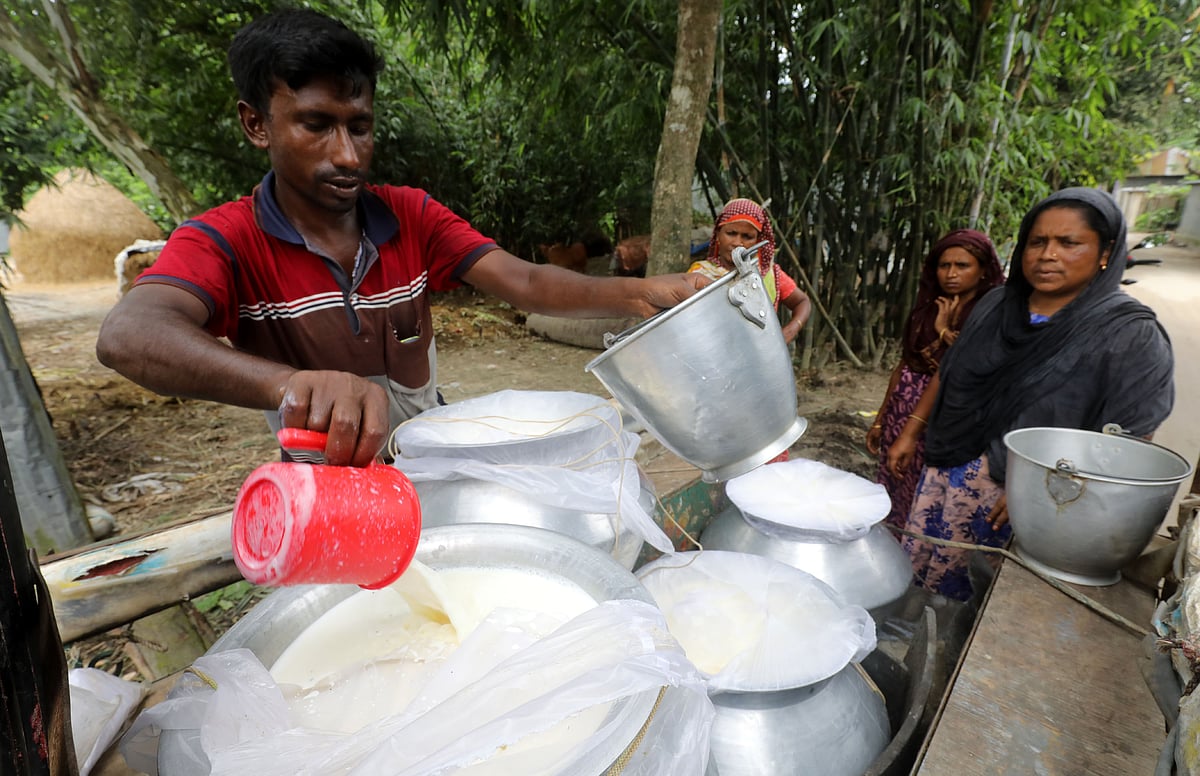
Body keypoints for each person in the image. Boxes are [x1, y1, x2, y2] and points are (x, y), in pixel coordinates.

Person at [95, 9, 704, 469]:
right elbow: (129, 336)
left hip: (437, 462)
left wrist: (641, 293)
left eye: (359, 128)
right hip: (327, 485)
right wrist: (290, 384)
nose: (346, 155)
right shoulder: (226, 240)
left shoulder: (410, 215)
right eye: (316, 125)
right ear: (257, 124)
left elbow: (524, 281)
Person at [886, 188, 1174, 601]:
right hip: (946, 471)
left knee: (983, 601)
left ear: (1106, 252)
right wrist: (912, 431)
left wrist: (1040, 491)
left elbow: (1129, 440)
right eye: (1037, 242)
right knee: (921, 584)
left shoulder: (1130, 334)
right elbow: (950, 374)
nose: (1047, 255)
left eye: (1069, 243)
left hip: (1031, 505)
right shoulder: (995, 306)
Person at [866, 229, 1004, 529]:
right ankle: (888, 539)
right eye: (944, 265)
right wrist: (881, 418)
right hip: (903, 410)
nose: (951, 274)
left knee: (924, 491)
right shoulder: (927, 307)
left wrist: (944, 330)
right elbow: (905, 364)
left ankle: (914, 546)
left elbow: (970, 366)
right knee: (893, 480)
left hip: (946, 417)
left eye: (962, 266)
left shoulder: (994, 314)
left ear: (983, 269)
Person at [688, 199, 811, 344]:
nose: (737, 243)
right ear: (718, 235)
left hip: (764, 353)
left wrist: (791, 330)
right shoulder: (699, 275)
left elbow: (802, 302)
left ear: (758, 240)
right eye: (731, 233)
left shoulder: (768, 275)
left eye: (747, 237)